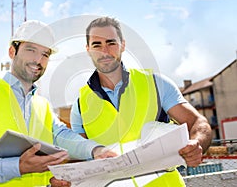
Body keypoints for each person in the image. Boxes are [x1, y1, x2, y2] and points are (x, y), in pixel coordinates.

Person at [0, 20, 116, 187]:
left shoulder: (43, 105)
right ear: (12, 51)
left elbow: (62, 137)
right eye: (31, 50)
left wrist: (96, 151)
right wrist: (17, 167)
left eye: (45, 54)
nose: (38, 60)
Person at [70, 16, 213, 186]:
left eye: (111, 43)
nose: (105, 51)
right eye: (97, 45)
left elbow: (197, 122)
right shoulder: (80, 104)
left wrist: (196, 143)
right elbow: (79, 156)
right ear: (88, 49)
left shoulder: (156, 84)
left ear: (122, 45)